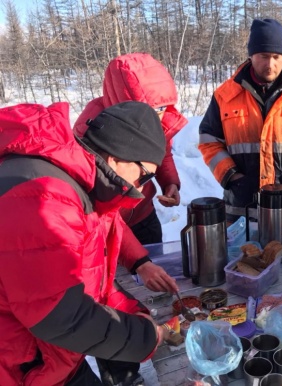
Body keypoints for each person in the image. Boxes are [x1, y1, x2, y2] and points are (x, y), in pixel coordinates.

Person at [0, 101, 176, 386]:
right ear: (121, 155)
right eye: (145, 175)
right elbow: (59, 316)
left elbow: (88, 282)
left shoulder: (85, 190)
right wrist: (144, 336)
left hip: (54, 359)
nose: (143, 188)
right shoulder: (45, 197)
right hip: (21, 370)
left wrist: (133, 312)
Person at [198, 18, 282, 249]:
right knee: (243, 270)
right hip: (240, 206)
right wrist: (231, 177)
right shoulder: (225, 94)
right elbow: (209, 141)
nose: (270, 64)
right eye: (263, 56)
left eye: (276, 56)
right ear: (251, 55)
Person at [74, 52, 188, 245]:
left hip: (143, 216)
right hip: (106, 224)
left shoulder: (153, 122)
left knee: (154, 267)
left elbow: (163, 153)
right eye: (152, 110)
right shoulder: (90, 128)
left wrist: (170, 183)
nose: (157, 117)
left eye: (161, 109)